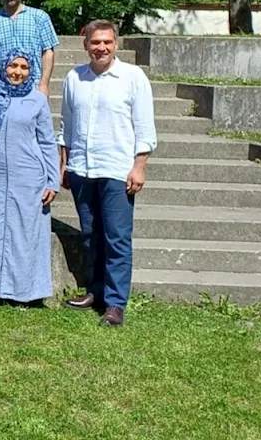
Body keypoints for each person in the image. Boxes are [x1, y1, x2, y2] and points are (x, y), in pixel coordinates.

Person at [60, 20, 157, 327]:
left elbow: (144, 127)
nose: (101, 47)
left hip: (117, 169)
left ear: (116, 44)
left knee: (116, 238)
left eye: (107, 42)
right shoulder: (75, 78)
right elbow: (67, 127)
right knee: (90, 235)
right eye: (95, 42)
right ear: (85, 44)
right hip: (82, 169)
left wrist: (139, 166)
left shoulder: (132, 77)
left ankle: (115, 303)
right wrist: (65, 164)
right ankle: (95, 290)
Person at [0, 54, 59, 308]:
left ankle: (25, 293)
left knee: (25, 234)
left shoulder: (37, 100)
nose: (17, 72)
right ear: (2, 66)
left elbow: (46, 141)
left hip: (27, 176)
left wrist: (52, 180)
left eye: (24, 67)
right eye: (12, 65)